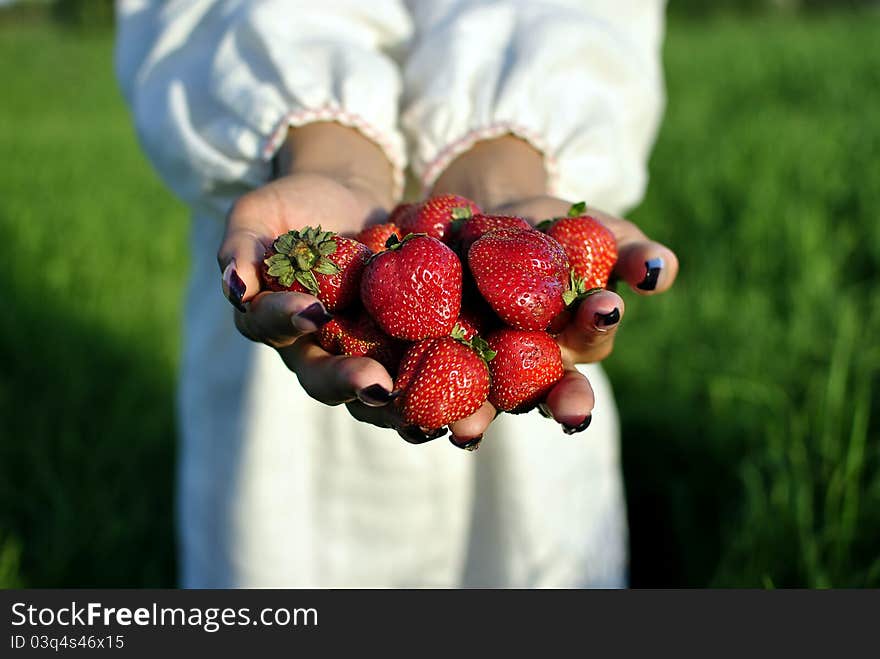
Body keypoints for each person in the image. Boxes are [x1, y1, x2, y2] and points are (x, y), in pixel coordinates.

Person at [115, 0, 678, 588]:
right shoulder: (378, 268)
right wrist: (328, 150)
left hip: (508, 323)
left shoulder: (493, 261)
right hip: (304, 262)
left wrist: (505, 166)